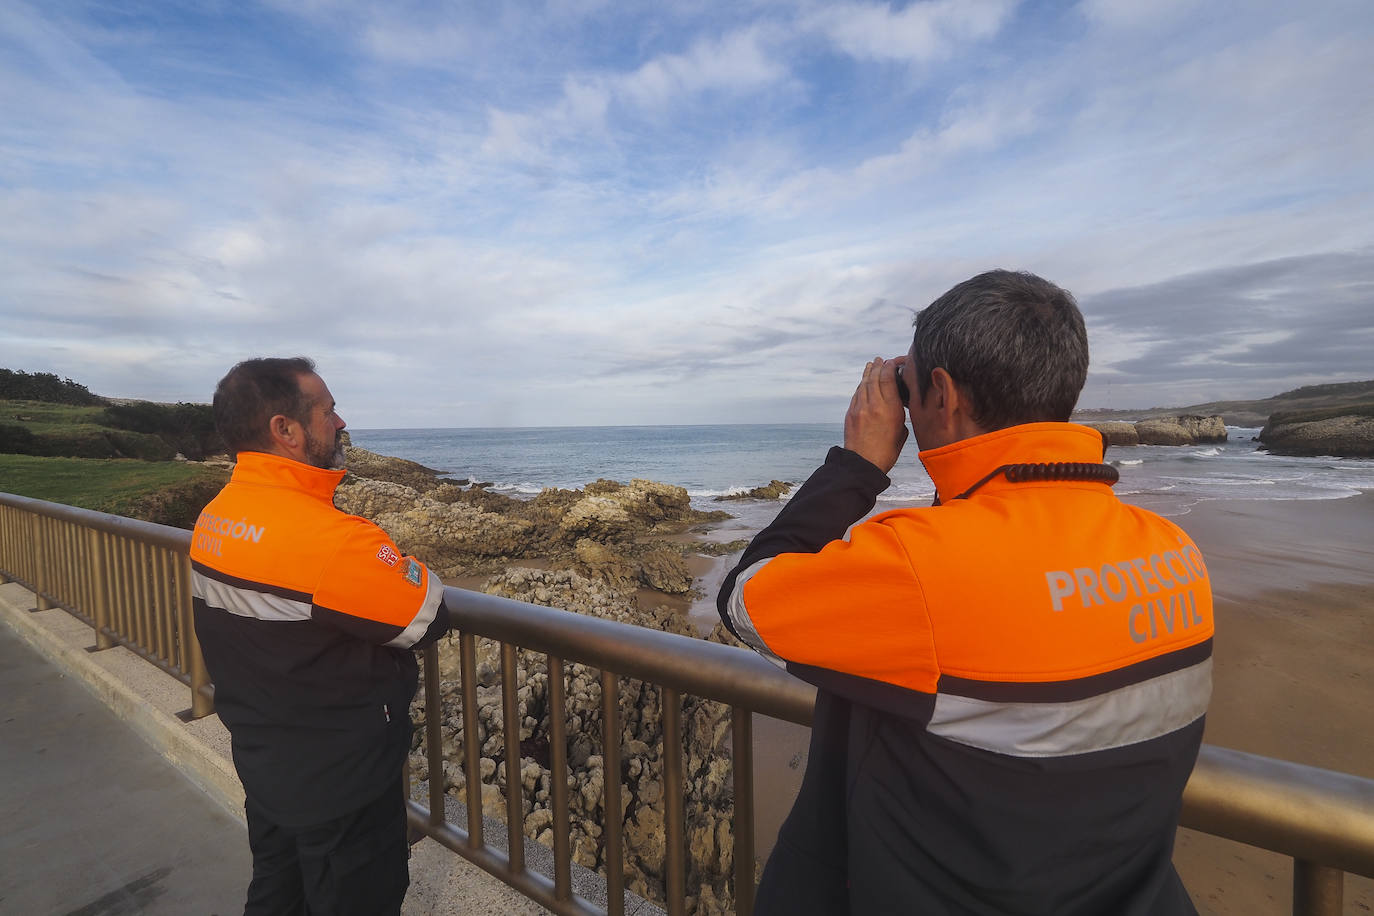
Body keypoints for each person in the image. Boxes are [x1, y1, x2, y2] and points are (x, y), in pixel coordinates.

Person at [717, 270, 1213, 915]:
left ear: (942, 394)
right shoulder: (1173, 550)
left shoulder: (920, 565)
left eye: (910, 384)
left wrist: (857, 465)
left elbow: (747, 599)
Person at [190, 357, 450, 916]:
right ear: (285, 430)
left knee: (277, 893)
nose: (341, 421)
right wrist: (407, 567)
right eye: (328, 410)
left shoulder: (215, 516)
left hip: (264, 758)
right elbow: (427, 616)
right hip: (341, 780)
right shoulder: (330, 539)